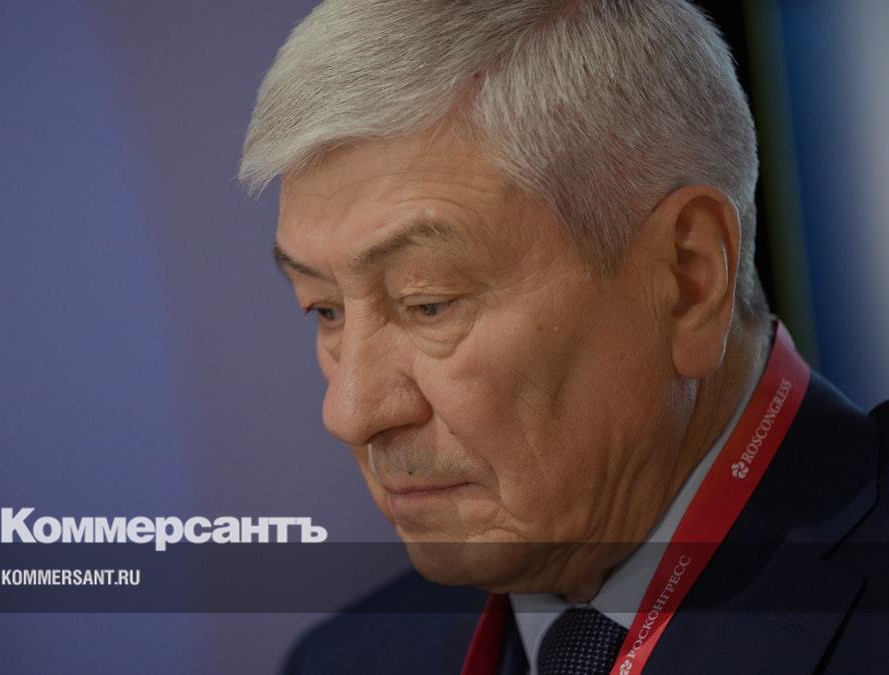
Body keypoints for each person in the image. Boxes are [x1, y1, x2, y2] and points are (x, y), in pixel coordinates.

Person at [238, 1, 889, 673]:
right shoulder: (342, 660)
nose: (350, 413)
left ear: (686, 279)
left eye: (429, 303)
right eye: (325, 310)